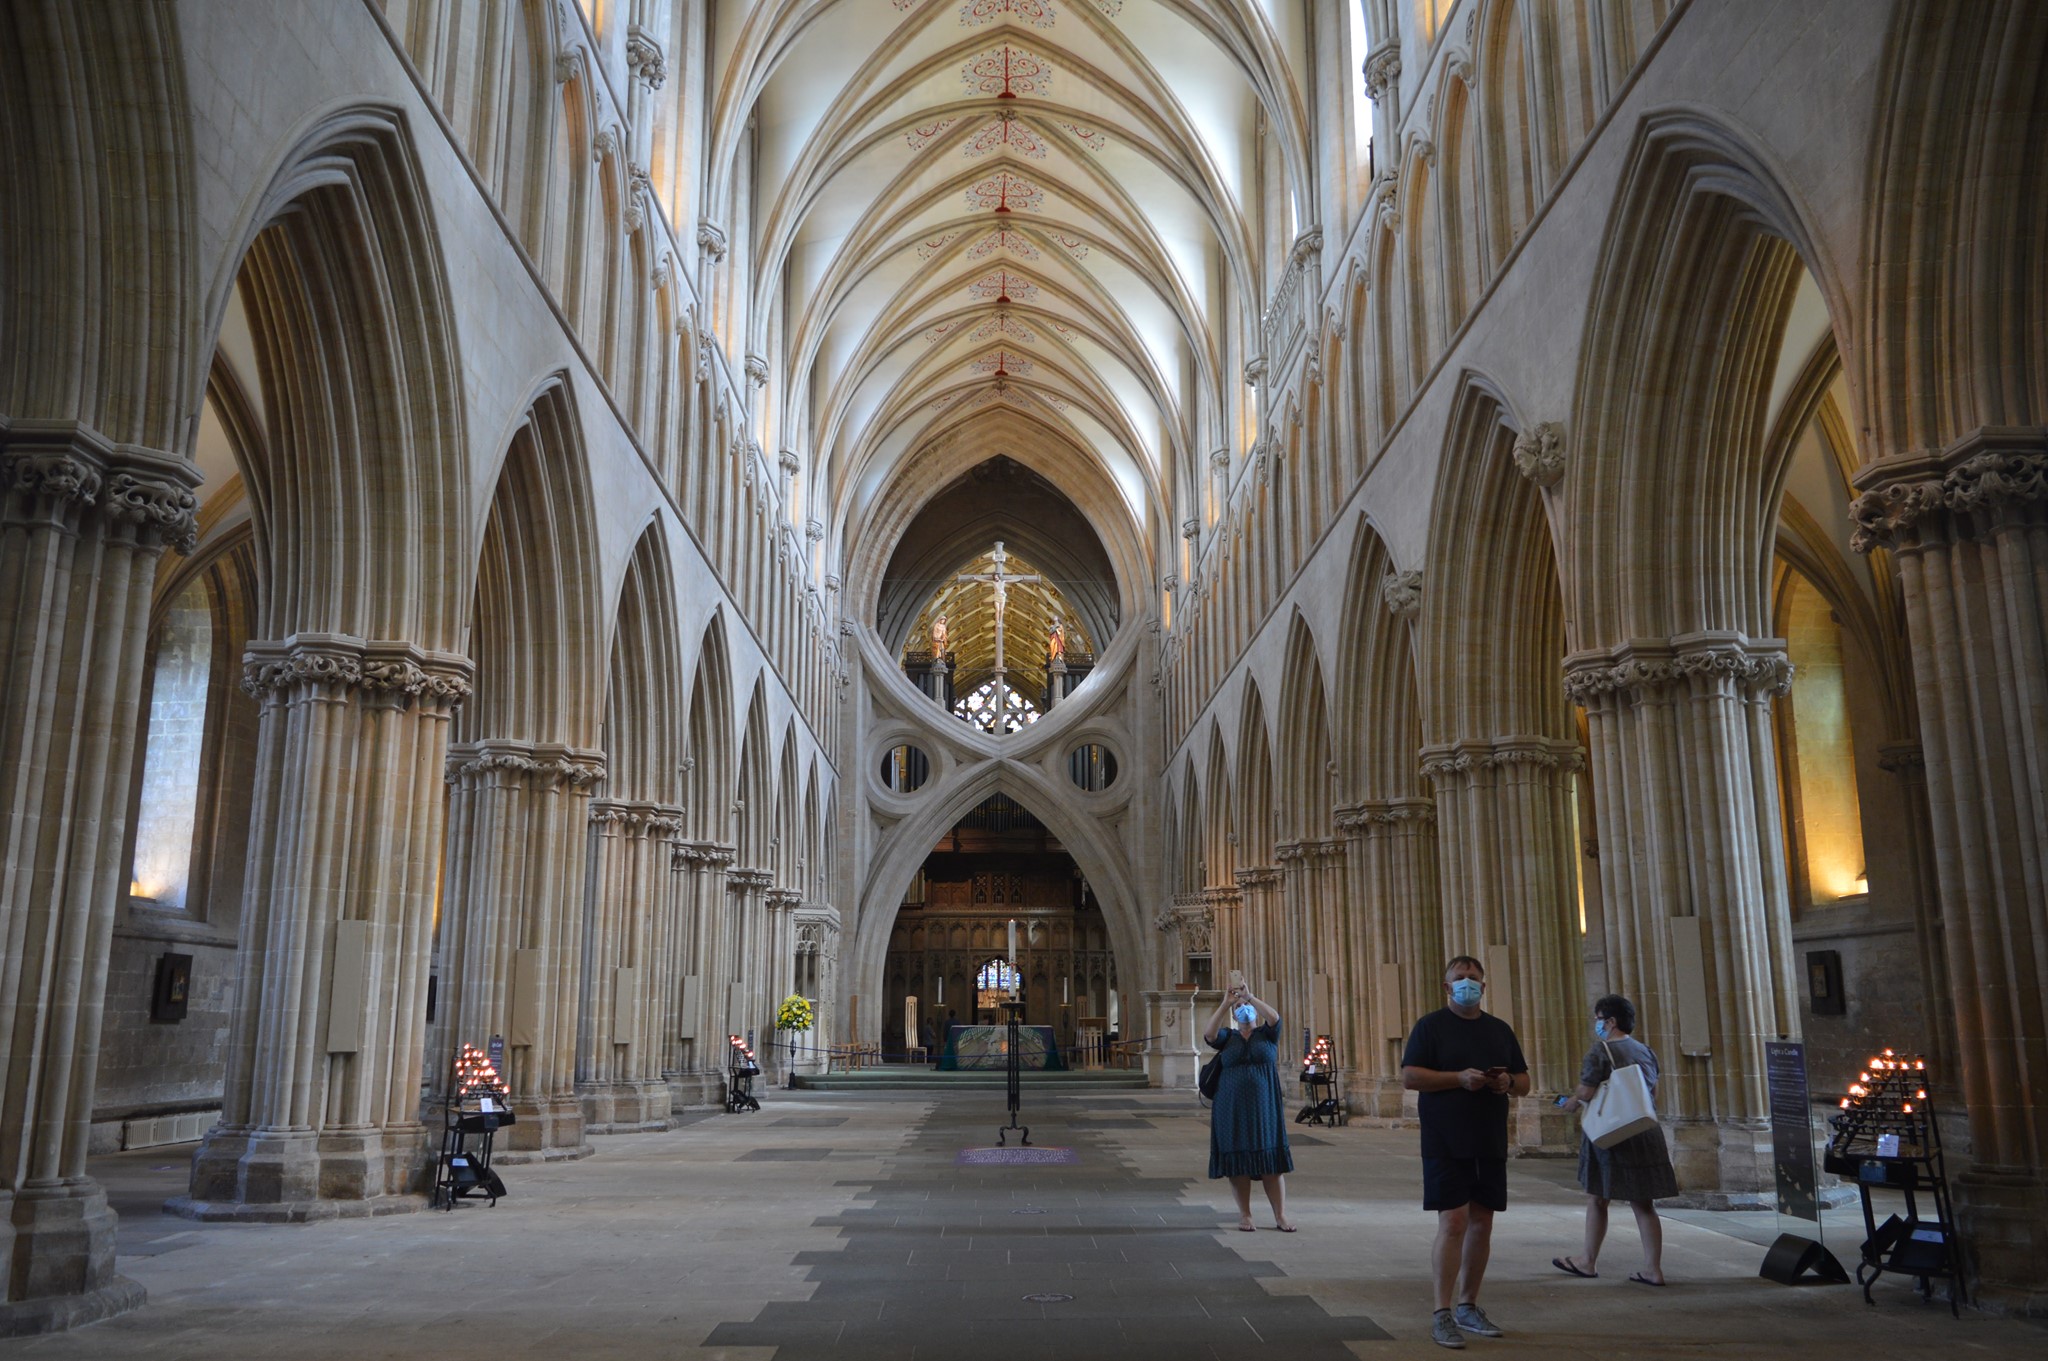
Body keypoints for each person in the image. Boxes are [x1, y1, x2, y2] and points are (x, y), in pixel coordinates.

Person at [1401, 956, 1530, 1350]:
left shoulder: (1499, 1030)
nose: (1467, 983)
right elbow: (1410, 1076)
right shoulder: (1431, 1027)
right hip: (1445, 1139)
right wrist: (1458, 1078)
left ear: (1484, 987)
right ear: (1447, 987)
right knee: (1453, 1221)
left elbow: (1524, 1081)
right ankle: (1441, 1312)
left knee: (1482, 1222)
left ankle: (1468, 1306)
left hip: (1488, 1138)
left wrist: (1507, 1082)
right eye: (1460, 978)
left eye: (1474, 978)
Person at [1552, 994, 1678, 1286]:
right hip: (1644, 1129)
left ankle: (1587, 1261)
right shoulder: (1645, 1050)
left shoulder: (1600, 1051)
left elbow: (1586, 1092)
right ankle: (1653, 1269)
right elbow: (1653, 1092)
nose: (1596, 1024)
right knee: (1643, 1203)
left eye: (1598, 1019)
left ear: (1610, 1021)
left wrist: (1571, 1102)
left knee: (1598, 1197)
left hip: (1612, 1133)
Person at [1203, 980, 1295, 1232]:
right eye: (1239, 1008)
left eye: (1247, 1007)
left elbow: (1275, 1017)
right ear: (1235, 1016)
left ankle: (1280, 1215)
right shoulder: (1228, 1037)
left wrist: (1250, 997)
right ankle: (1245, 1215)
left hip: (1265, 1108)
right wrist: (1226, 1003)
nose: (1243, 1009)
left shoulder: (1267, 1034)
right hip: (1230, 1108)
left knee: (1271, 1163)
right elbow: (1209, 1034)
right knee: (1238, 1162)